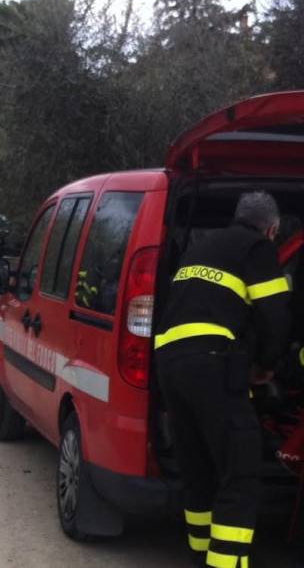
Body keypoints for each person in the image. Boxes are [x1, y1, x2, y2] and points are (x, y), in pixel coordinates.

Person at [154, 191, 292, 568]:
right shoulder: (257, 248)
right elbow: (276, 316)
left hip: (170, 364)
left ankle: (200, 551)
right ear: (273, 229)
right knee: (242, 471)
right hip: (212, 364)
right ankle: (226, 563)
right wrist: (268, 365)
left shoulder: (202, 246)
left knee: (198, 467)